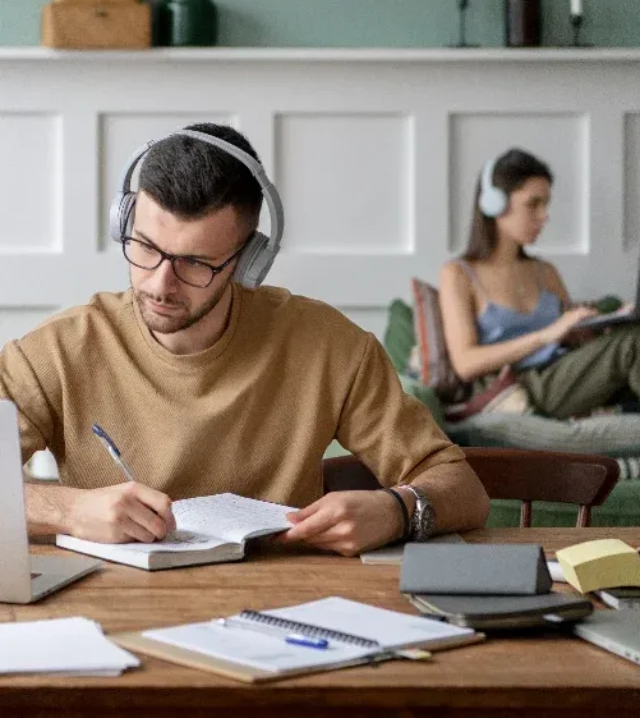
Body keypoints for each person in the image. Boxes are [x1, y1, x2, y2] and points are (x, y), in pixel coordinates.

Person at [1, 123, 489, 556]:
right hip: (111, 606)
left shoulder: (329, 346)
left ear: (248, 261)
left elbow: (462, 487)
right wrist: (67, 510)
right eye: (145, 247)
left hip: (278, 608)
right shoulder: (61, 350)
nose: (159, 284)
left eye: (195, 263)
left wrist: (397, 510)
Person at [439, 147, 640, 420]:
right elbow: (465, 364)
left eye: (546, 204)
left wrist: (605, 322)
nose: (544, 216)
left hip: (565, 374)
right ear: (494, 205)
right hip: (520, 386)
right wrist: (547, 335)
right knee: (632, 345)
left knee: (631, 335)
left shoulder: (546, 272)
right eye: (533, 204)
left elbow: (573, 339)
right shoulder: (459, 274)